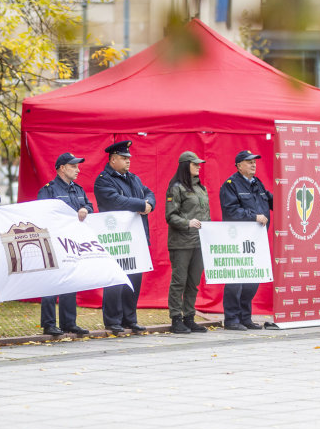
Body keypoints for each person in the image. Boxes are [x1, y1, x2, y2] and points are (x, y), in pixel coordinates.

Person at [94, 140, 154, 335]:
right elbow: (115, 200)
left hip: (135, 240)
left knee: (133, 280)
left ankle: (130, 318)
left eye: (128, 158)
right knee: (116, 281)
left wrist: (149, 204)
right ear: (112, 160)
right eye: (123, 158)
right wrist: (140, 205)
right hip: (116, 240)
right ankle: (113, 320)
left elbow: (149, 193)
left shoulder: (133, 178)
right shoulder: (104, 180)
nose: (128, 161)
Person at [36, 152, 93, 337]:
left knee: (70, 282)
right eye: (73, 166)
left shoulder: (78, 189)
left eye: (77, 166)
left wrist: (85, 208)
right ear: (62, 168)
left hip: (72, 243)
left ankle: (69, 323)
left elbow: (89, 205)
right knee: (51, 283)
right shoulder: (49, 189)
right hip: (53, 243)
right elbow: (41, 213)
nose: (78, 170)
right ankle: (49, 324)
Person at [219, 150, 273, 331]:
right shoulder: (230, 184)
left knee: (252, 280)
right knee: (236, 280)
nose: (253, 165)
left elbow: (270, 201)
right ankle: (232, 319)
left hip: (257, 239)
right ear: (239, 165)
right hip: (238, 239)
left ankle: (245, 317)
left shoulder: (257, 183)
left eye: (255, 162)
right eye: (249, 162)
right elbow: (230, 210)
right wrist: (254, 217)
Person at [164, 151, 211, 334]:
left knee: (193, 283)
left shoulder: (201, 188)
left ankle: (189, 317)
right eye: (195, 164)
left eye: (199, 164)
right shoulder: (176, 187)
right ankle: (176, 318)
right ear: (185, 165)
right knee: (179, 282)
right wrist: (187, 223)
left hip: (199, 243)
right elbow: (170, 215)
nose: (199, 166)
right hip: (181, 243)